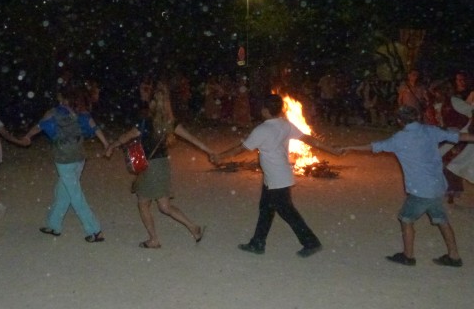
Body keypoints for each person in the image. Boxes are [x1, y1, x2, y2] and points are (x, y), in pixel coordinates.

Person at [342, 106, 474, 267]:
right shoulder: (430, 130)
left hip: (421, 190)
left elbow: (373, 146)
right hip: (437, 186)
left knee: (406, 219)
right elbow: (460, 136)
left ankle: (408, 256)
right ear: (417, 116)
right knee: (442, 220)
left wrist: (349, 147)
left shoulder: (400, 138)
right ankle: (454, 256)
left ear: (399, 120)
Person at [211, 94, 340, 257]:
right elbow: (308, 139)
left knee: (286, 211)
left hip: (276, 178)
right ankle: (257, 242)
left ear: (265, 110)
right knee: (266, 209)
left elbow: (240, 148)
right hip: (278, 175)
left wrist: (221, 156)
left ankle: (311, 242)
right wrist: (332, 150)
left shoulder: (262, 129)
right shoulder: (285, 125)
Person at [106, 80, 212, 249]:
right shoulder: (171, 124)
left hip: (150, 166)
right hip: (162, 165)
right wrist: (210, 151)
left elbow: (127, 136)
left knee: (143, 202)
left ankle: (154, 239)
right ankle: (194, 227)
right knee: (164, 206)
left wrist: (112, 145)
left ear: (153, 103)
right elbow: (192, 139)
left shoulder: (146, 122)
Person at [23, 86, 109, 242]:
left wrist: (27, 136)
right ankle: (53, 224)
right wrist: (106, 144)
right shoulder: (81, 112)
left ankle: (95, 230)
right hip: (79, 157)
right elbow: (94, 127)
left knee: (75, 195)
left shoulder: (54, 112)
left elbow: (39, 126)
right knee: (63, 191)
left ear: (61, 97)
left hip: (64, 159)